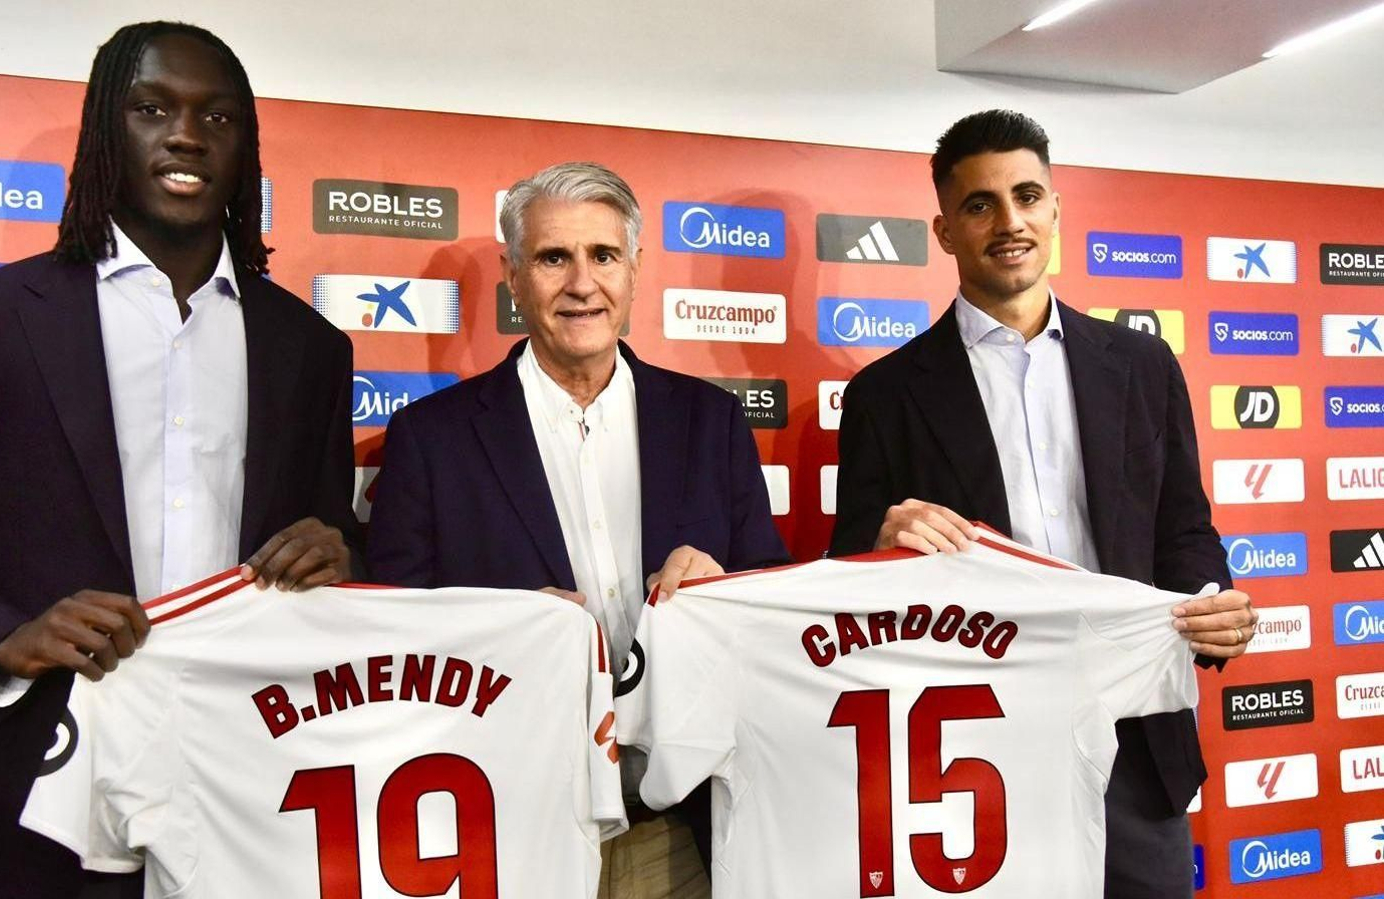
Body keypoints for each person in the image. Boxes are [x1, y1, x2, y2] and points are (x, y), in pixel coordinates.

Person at [0, 22, 360, 899]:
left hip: (257, 791)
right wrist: (6, 635)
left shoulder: (309, 346)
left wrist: (342, 554)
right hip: (41, 791)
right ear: (103, 133)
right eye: (152, 109)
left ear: (246, 150)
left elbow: (334, 539)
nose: (187, 135)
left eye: (219, 117)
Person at [828, 109, 1255, 898]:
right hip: (972, 754)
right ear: (944, 230)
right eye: (980, 204)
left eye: (1027, 196)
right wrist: (880, 547)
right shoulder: (884, 395)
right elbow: (844, 581)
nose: (1010, 221)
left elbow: (1183, 529)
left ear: (1056, 209)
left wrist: (1210, 604)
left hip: (1136, 745)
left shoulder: (1144, 365)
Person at [367, 161, 790, 898]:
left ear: (635, 269)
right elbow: (390, 649)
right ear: (513, 276)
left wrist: (725, 592)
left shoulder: (711, 421)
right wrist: (503, 635)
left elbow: (772, 618)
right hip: (509, 834)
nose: (582, 283)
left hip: (678, 833)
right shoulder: (430, 439)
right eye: (553, 257)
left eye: (603, 255)